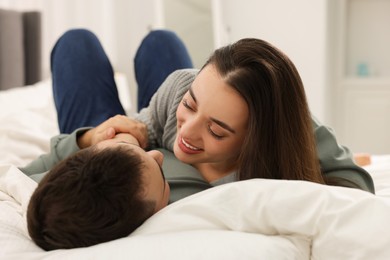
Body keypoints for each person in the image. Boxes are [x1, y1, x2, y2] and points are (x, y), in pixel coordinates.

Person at [27, 133, 170, 250]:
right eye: (162, 174)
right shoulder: (184, 194)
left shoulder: (55, 188)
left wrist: (86, 138)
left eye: (124, 145)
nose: (157, 154)